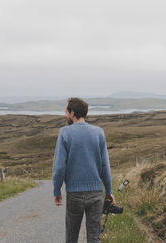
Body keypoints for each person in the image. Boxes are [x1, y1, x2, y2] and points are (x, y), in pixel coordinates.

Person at [52, 97, 115, 243]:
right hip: (96, 194)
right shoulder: (99, 132)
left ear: (72, 113)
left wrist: (57, 191)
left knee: (71, 237)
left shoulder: (65, 133)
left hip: (75, 194)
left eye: (66, 112)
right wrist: (109, 190)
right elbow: (105, 165)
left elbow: (59, 167)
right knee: (94, 238)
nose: (65, 115)